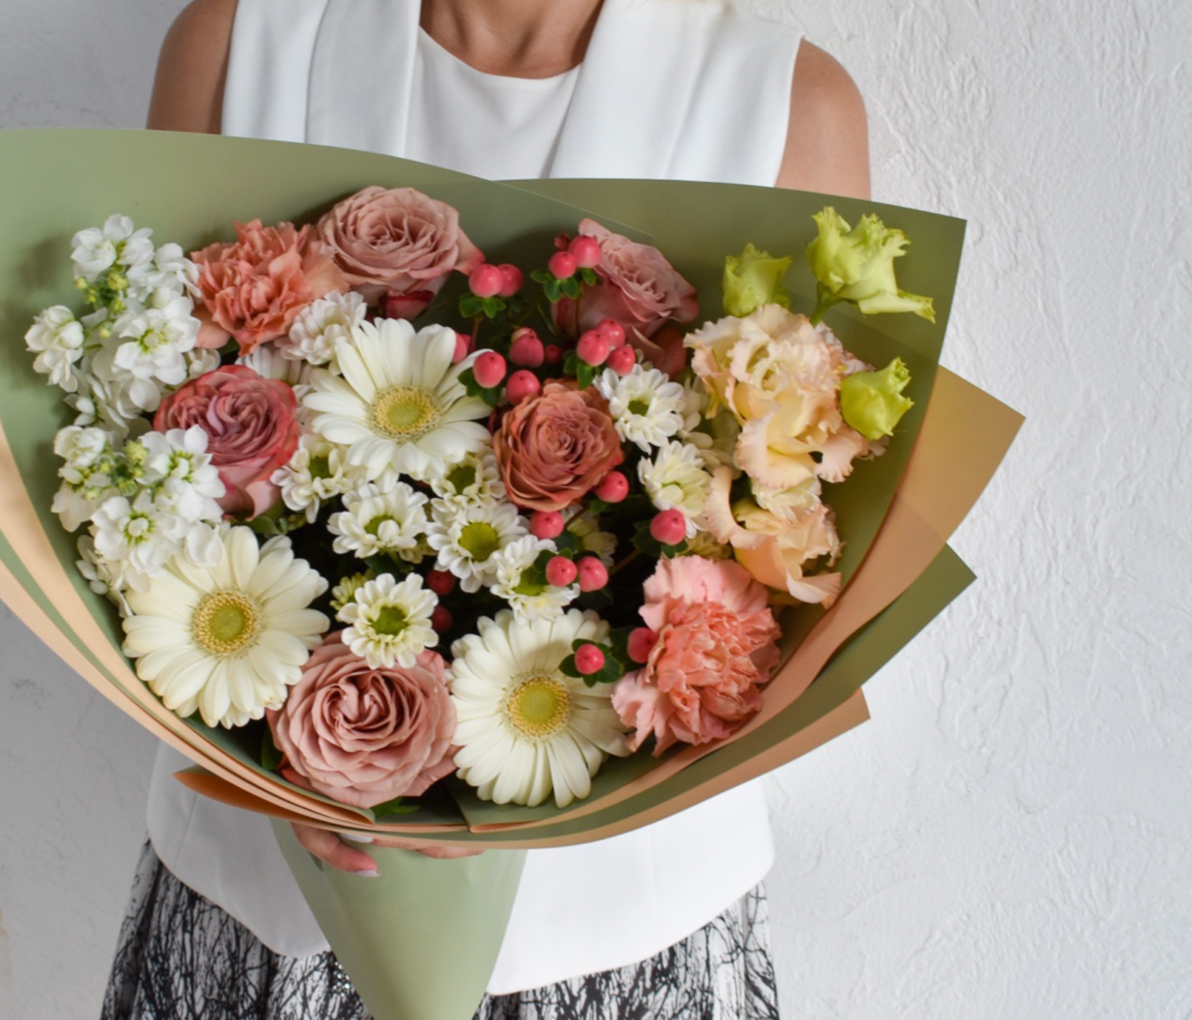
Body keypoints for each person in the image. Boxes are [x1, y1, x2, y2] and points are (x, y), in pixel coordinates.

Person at [102, 1, 869, 1017]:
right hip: (266, 901)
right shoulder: (239, 42)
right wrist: (273, 765)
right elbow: (137, 452)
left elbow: (800, 507)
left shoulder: (786, 103)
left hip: (627, 923)